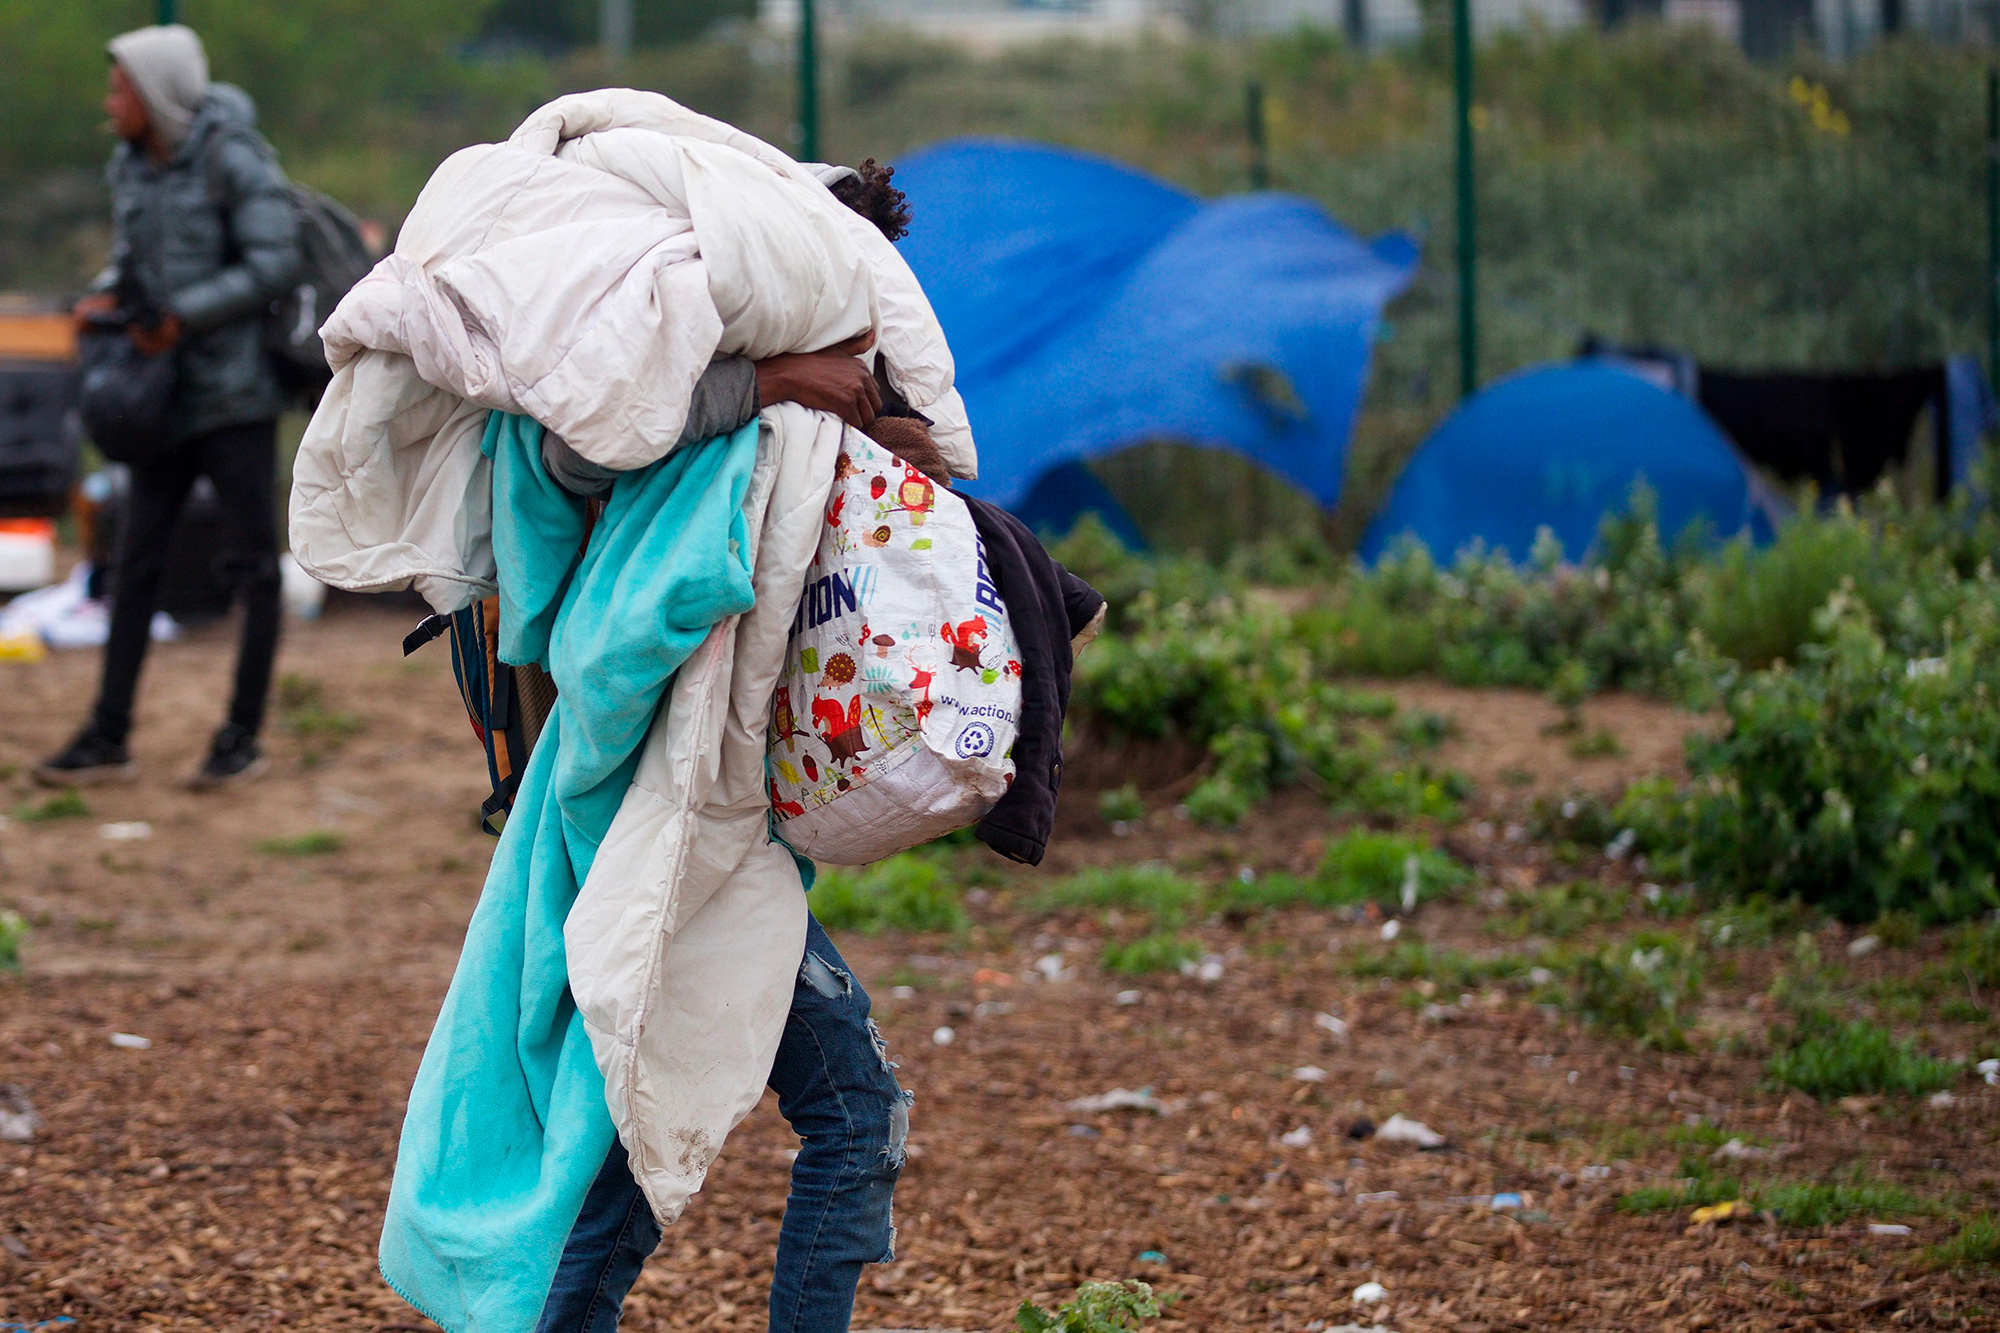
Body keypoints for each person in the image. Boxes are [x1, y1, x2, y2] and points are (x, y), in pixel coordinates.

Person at [532, 160, 926, 1333]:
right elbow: (581, 448)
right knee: (852, 1113)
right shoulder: (690, 363)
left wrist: (873, 426)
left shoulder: (841, 392)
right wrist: (766, 382)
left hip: (716, 809)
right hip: (654, 803)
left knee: (633, 1136)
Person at [35, 24, 301, 790]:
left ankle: (240, 738)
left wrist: (183, 315)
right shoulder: (131, 165)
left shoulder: (232, 156)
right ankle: (107, 735)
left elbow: (273, 260)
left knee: (253, 568)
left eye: (120, 86)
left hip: (234, 397)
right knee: (132, 563)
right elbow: (134, 255)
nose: (110, 102)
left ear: (155, 94)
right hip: (162, 401)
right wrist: (108, 293)